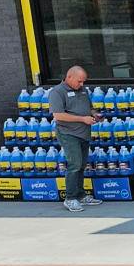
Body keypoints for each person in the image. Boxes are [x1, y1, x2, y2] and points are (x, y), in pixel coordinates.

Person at [47, 65, 98, 213]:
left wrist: (94, 114)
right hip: (68, 133)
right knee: (74, 164)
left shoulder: (82, 90)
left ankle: (81, 195)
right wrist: (83, 119)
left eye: (83, 82)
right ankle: (70, 198)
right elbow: (58, 115)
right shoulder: (57, 92)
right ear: (69, 77)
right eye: (79, 81)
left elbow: (89, 107)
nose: (82, 84)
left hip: (83, 133)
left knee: (82, 164)